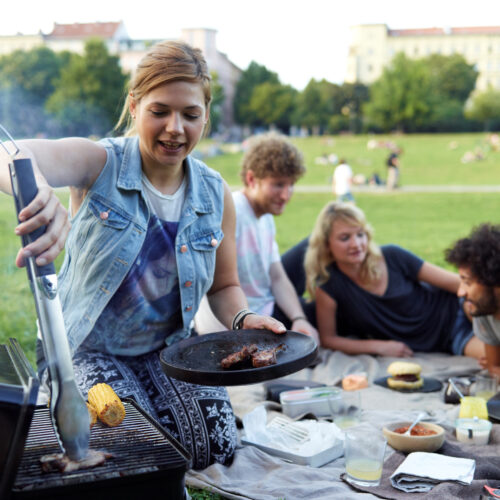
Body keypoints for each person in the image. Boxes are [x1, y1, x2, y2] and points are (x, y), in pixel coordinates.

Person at [0, 40, 286, 469]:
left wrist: (244, 320)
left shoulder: (215, 193)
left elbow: (225, 285)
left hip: (167, 349)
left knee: (217, 445)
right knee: (136, 446)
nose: (175, 128)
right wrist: (37, 187)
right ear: (135, 106)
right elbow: (7, 152)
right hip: (86, 347)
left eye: (190, 114)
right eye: (160, 111)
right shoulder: (98, 163)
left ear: (206, 115)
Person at [302, 201, 485, 358]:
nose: (356, 244)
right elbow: (329, 339)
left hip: (459, 308)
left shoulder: (392, 256)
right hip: (451, 337)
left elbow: (457, 284)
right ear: (326, 244)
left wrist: (482, 303)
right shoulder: (328, 285)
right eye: (344, 238)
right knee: (491, 355)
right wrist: (379, 346)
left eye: (360, 234)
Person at [195, 132, 318, 340]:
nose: (286, 195)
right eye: (278, 185)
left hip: (266, 308)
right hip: (236, 324)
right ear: (252, 179)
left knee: (316, 309)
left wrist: (299, 318)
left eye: (291, 185)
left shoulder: (265, 218)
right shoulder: (233, 211)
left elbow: (277, 276)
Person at [445, 224, 500, 376]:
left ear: (494, 281)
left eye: (467, 282)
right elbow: (494, 367)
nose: (460, 292)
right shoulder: (483, 311)